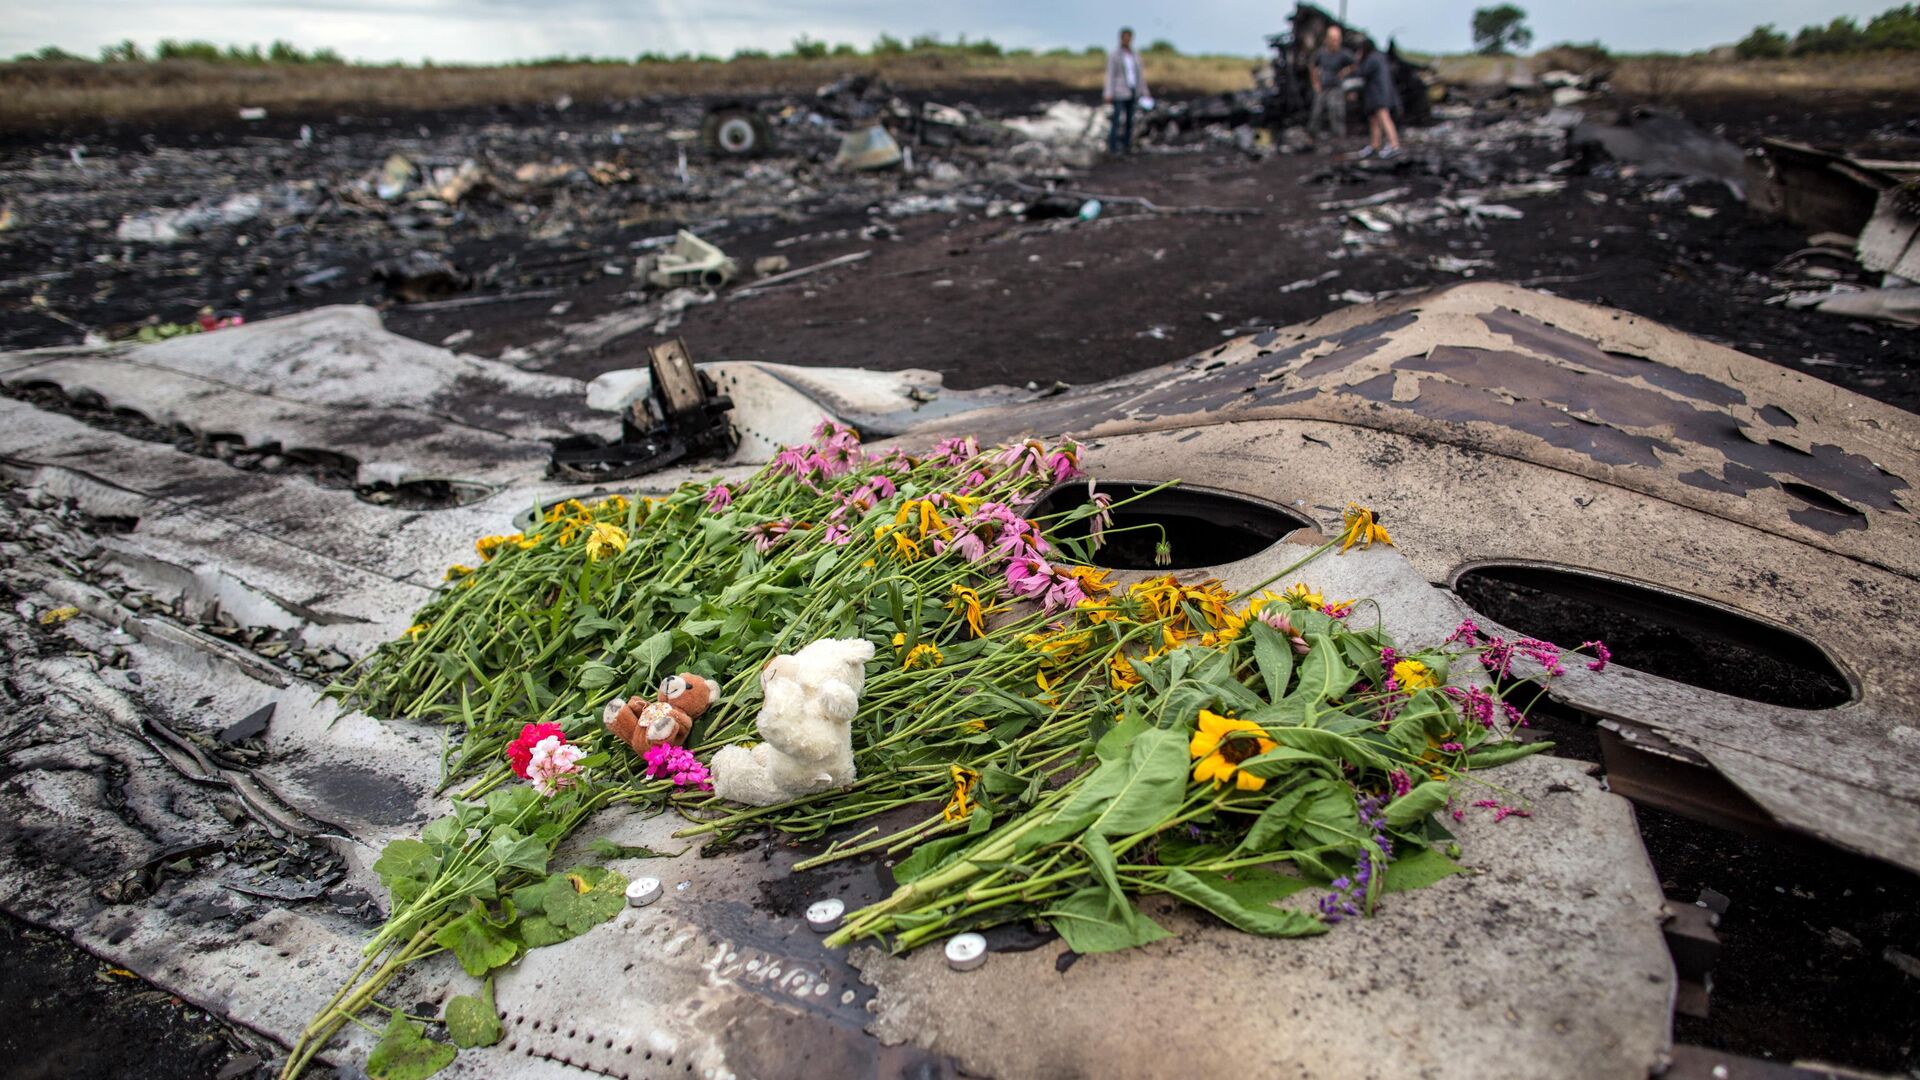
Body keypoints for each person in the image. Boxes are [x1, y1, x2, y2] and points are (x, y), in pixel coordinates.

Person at [1353, 36, 1402, 160]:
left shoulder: (1371, 59)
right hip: (1382, 93)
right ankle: (1375, 144)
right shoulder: (1380, 57)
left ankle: (1394, 145)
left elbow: (1361, 73)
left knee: (1384, 118)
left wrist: (1358, 60)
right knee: (1374, 120)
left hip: (1377, 94)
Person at [1103, 27, 1149, 154]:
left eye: (1129, 37)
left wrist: (1144, 91)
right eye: (1125, 37)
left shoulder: (1135, 56)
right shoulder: (1114, 55)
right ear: (1121, 38)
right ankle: (1112, 148)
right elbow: (1110, 75)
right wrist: (1108, 93)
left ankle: (1126, 147)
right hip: (1119, 92)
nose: (1127, 39)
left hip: (1133, 91)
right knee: (1116, 120)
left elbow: (1140, 76)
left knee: (1130, 121)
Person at [1308, 25, 1354, 149]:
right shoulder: (1321, 54)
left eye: (1337, 39)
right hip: (1323, 87)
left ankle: (1338, 140)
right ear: (1327, 39)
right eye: (1333, 39)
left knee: (1336, 112)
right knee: (1316, 112)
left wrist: (1345, 72)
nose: (1335, 42)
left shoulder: (1344, 54)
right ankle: (1312, 139)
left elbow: (1354, 65)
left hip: (1336, 88)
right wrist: (1315, 83)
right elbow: (1312, 66)